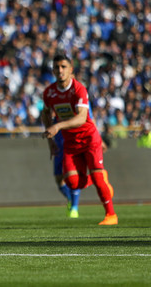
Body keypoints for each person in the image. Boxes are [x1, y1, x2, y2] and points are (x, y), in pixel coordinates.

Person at [41, 54, 117, 225]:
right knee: (73, 182)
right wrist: (51, 142)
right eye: (56, 67)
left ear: (71, 69)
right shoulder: (49, 92)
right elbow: (45, 114)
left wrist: (58, 126)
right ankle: (100, 177)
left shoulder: (78, 89)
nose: (60, 70)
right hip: (70, 143)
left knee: (96, 179)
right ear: (53, 70)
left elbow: (82, 118)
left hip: (89, 139)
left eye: (63, 67)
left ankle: (111, 215)